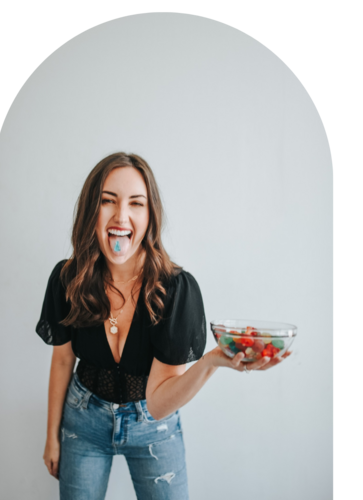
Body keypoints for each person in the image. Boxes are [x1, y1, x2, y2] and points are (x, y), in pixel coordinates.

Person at [36, 152, 290, 500]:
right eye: (107, 200)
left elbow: (156, 405)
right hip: (83, 421)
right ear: (90, 211)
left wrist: (212, 360)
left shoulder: (175, 290)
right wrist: (51, 435)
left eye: (136, 204)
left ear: (149, 216)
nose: (121, 215)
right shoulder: (68, 278)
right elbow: (63, 359)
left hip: (154, 430)